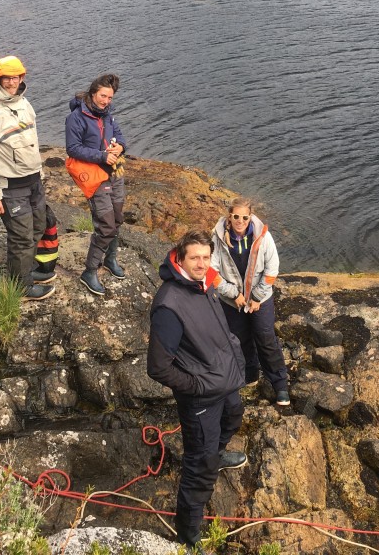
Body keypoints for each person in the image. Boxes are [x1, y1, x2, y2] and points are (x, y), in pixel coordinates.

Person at [147, 230, 247, 548]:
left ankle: (217, 454)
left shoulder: (204, 284)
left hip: (224, 381)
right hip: (201, 395)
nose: (202, 263)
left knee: (234, 415)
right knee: (199, 468)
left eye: (206, 257)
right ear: (180, 257)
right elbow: (158, 367)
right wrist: (196, 386)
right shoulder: (169, 305)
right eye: (195, 258)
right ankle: (189, 535)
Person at [0, 55, 54, 299]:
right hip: (10, 188)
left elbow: (31, 142)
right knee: (21, 237)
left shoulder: (24, 103)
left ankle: (26, 271)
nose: (12, 82)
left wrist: (40, 174)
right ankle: (21, 286)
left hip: (33, 181)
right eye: (7, 77)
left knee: (38, 228)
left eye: (16, 77)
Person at [211, 198, 290, 406]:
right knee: (239, 339)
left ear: (250, 217)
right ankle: (250, 375)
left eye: (244, 217)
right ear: (230, 216)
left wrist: (255, 297)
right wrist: (233, 294)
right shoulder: (217, 237)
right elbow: (212, 271)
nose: (240, 221)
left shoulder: (262, 236)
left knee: (266, 338)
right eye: (236, 216)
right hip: (232, 301)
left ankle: (280, 385)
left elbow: (272, 269)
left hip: (260, 300)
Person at [64, 73, 127, 296]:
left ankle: (110, 260)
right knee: (106, 224)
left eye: (110, 97)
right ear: (93, 93)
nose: (106, 101)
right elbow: (72, 148)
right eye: (103, 96)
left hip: (115, 173)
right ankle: (90, 271)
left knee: (118, 218)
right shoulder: (76, 118)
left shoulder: (108, 115)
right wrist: (102, 156)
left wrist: (120, 147)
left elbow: (119, 136)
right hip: (94, 176)